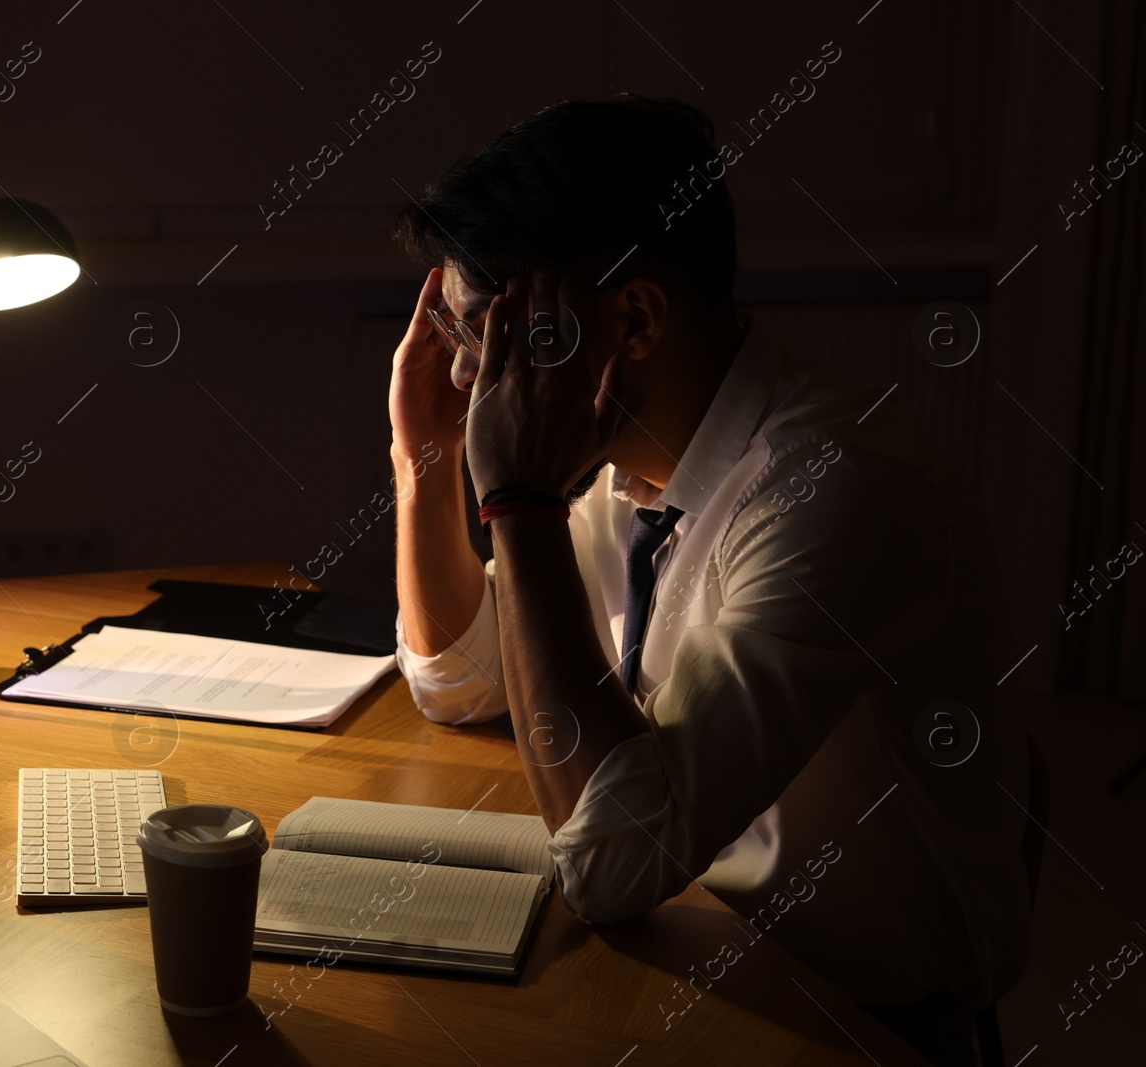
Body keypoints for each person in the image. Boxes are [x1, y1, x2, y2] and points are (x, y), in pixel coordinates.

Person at [387, 96, 1033, 1066]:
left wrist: (513, 499)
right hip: (690, 949)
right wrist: (426, 461)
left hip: (847, 1024)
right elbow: (466, 676)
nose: (472, 375)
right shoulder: (634, 473)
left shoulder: (834, 491)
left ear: (634, 318)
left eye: (489, 336)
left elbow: (610, 860)